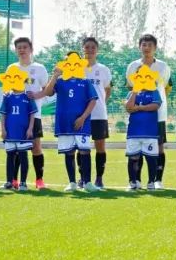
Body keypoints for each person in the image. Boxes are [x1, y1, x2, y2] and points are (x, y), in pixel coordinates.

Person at [42, 52, 99, 192]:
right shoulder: (60, 81)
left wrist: (83, 117)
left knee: (84, 151)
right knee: (69, 153)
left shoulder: (85, 81)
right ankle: (72, 183)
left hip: (82, 123)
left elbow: (93, 101)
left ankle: (87, 183)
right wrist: (55, 75)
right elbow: (48, 92)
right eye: (68, 62)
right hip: (64, 123)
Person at [125, 34, 172, 189]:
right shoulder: (133, 66)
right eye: (144, 45)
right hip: (137, 116)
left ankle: (157, 180)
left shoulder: (163, 67)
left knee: (159, 146)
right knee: (137, 147)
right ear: (140, 47)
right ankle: (136, 180)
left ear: (155, 48)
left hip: (158, 114)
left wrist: (154, 102)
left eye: (150, 45)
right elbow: (130, 87)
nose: (147, 48)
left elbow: (166, 87)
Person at [12, 37, 50, 189]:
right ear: (16, 50)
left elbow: (48, 89)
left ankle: (39, 180)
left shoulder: (39, 68)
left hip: (35, 115)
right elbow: (7, 90)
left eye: (24, 47)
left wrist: (36, 95)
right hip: (16, 117)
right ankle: (14, 180)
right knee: (16, 149)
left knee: (36, 147)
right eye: (19, 47)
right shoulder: (12, 69)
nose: (22, 50)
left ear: (31, 50)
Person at [0, 65, 37, 191]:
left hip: (23, 132)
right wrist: (3, 129)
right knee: (10, 157)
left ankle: (23, 183)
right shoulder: (7, 97)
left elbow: (32, 114)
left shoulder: (27, 97)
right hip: (10, 132)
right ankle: (9, 182)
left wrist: (30, 128)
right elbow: (3, 114)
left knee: (23, 157)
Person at [124, 66, 163, 191]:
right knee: (133, 158)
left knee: (151, 158)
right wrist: (135, 91)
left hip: (150, 133)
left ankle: (151, 182)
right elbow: (129, 107)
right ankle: (133, 183)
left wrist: (139, 108)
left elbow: (155, 105)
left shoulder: (154, 91)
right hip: (133, 132)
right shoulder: (131, 93)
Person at [82, 37, 113, 189]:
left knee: (100, 147)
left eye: (93, 47)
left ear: (97, 50)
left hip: (99, 114)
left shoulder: (104, 69)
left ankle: (99, 178)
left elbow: (108, 89)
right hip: (81, 115)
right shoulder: (77, 69)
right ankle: (83, 178)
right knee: (82, 147)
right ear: (83, 49)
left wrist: (100, 103)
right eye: (87, 47)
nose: (90, 50)